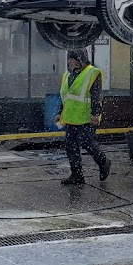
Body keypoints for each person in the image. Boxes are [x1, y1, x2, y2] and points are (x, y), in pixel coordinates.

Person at [55, 48, 111, 186]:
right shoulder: (68, 75)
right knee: (71, 145)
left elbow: (97, 95)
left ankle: (103, 162)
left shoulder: (92, 73)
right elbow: (66, 96)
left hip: (87, 117)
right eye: (69, 59)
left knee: (86, 141)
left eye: (72, 59)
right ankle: (77, 175)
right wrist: (60, 112)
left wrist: (96, 113)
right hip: (71, 117)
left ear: (80, 59)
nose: (69, 62)